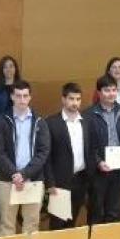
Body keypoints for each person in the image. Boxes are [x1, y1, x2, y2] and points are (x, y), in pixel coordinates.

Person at [0, 80, 50, 236]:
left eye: (25, 96)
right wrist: (15, 174)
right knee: (7, 224)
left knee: (31, 224)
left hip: (33, 179)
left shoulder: (40, 122)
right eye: (18, 96)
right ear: (12, 97)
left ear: (30, 97)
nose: (22, 100)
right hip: (6, 180)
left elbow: (43, 152)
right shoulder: (1, 121)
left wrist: (24, 174)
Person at [84, 75, 120, 223]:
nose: (111, 93)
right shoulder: (89, 115)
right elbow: (87, 145)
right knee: (96, 211)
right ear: (99, 93)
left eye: (113, 90)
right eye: (106, 90)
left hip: (119, 170)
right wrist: (98, 162)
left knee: (114, 212)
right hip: (99, 171)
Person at [44, 83, 90, 228]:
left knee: (72, 222)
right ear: (63, 99)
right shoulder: (51, 123)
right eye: (71, 99)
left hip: (80, 180)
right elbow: (47, 157)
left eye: (78, 99)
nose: (75, 103)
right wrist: (50, 183)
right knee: (57, 224)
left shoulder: (86, 122)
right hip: (59, 183)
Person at [0, 55, 21, 119]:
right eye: (5, 67)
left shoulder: (21, 87)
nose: (8, 69)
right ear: (1, 70)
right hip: (0, 123)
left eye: (11, 66)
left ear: (15, 68)